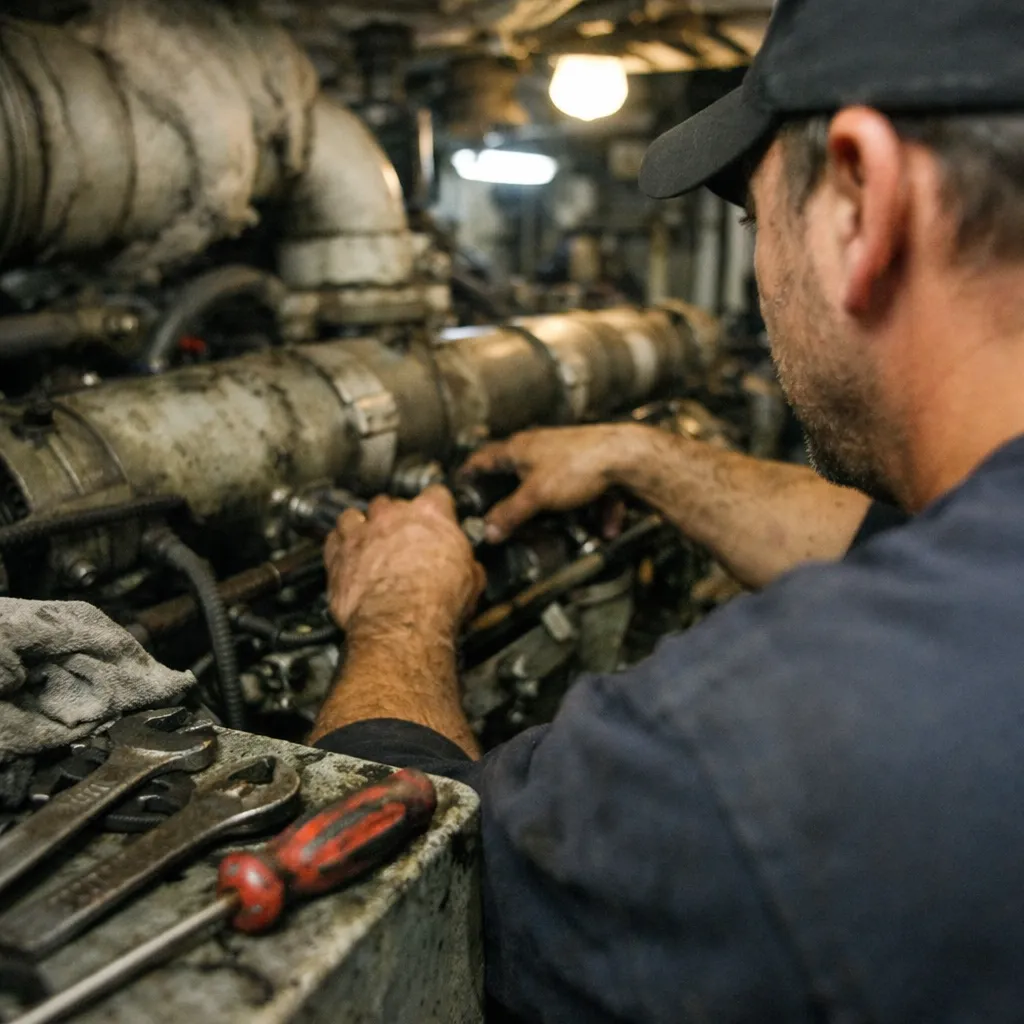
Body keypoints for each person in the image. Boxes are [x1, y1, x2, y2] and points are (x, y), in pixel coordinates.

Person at [312, 0, 1024, 1018]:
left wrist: (401, 616)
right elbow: (897, 546)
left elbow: (413, 888)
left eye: (754, 218)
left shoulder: (759, 755)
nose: (763, 275)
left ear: (860, 201)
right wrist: (641, 455)